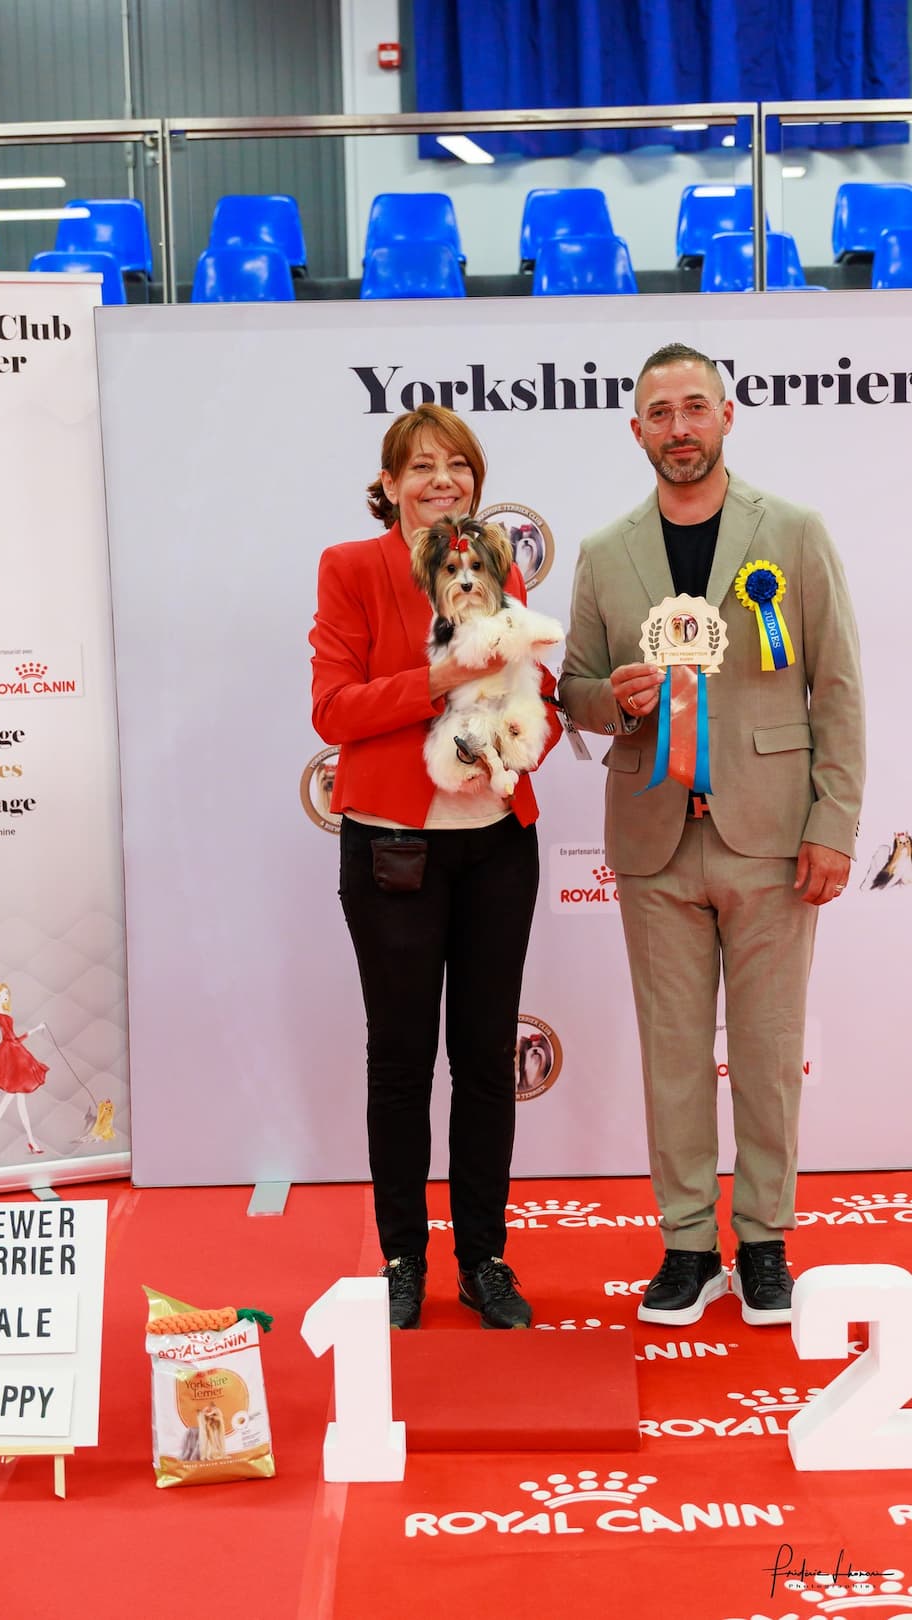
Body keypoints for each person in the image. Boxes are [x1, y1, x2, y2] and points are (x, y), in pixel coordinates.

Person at [559, 342, 865, 1329]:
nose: (679, 428)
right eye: (660, 412)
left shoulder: (797, 532)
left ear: (727, 417)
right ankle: (688, 1242)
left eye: (696, 408)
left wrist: (836, 822)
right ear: (637, 430)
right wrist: (616, 696)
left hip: (774, 837)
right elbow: (574, 693)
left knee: (770, 1052)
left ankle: (766, 1240)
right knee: (673, 1053)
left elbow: (841, 690)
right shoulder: (606, 554)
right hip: (655, 841)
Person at [310, 403, 561, 1330]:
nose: (440, 481)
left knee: (488, 1060)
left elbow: (529, 689)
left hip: (500, 840)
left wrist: (533, 721)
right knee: (401, 1058)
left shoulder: (502, 563)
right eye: (420, 467)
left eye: (457, 465)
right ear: (388, 485)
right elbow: (334, 710)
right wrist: (445, 680)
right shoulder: (353, 569)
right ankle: (403, 1258)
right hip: (394, 847)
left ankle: (486, 1258)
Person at [0, 981, 49, 1155]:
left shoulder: (5, 1013)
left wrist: (35, 1030)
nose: (6, 996)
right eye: (3, 994)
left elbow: (11, 1039)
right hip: (11, 1057)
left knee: (11, 1103)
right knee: (17, 1104)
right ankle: (31, 1142)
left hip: (15, 1054)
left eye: (7, 994)